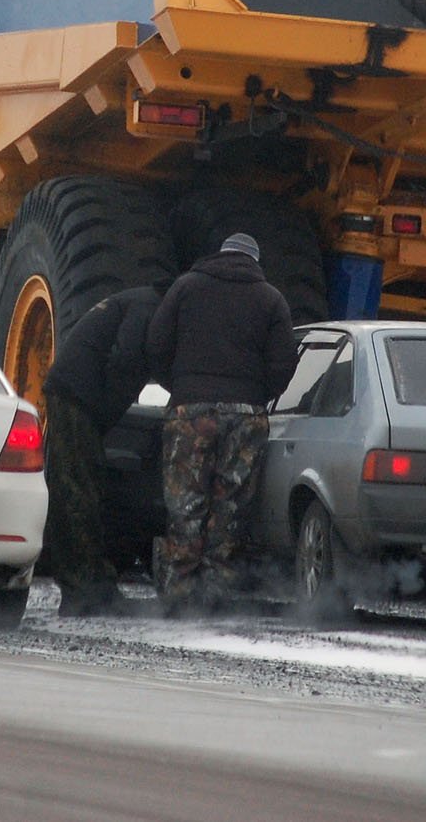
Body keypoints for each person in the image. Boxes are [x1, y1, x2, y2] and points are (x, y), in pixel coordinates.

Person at [145, 231, 294, 614]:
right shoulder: (271, 299)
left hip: (190, 409)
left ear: (220, 253)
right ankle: (215, 597)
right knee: (231, 507)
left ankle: (178, 596)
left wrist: (180, 387)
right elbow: (283, 364)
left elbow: (157, 344)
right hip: (246, 415)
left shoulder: (185, 287)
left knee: (184, 503)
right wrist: (257, 398)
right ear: (255, 261)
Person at [42, 283, 162, 617]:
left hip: (70, 394)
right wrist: (106, 409)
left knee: (79, 487)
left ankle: (85, 586)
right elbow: (125, 358)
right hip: (76, 399)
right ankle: (85, 590)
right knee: (78, 493)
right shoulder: (148, 306)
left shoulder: (133, 300)